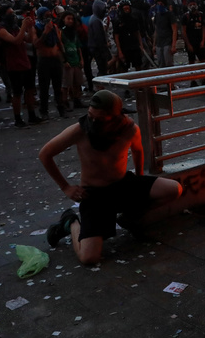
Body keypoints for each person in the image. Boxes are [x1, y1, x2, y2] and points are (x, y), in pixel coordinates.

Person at [40, 90, 182, 264]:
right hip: (94, 194)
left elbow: (137, 150)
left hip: (122, 184)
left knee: (174, 189)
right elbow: (45, 154)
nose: (92, 121)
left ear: (115, 117)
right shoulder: (79, 130)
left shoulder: (128, 128)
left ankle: (129, 218)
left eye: (99, 119)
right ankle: (70, 222)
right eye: (90, 115)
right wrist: (66, 187)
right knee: (89, 258)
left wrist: (139, 178)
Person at [152, 0, 178, 68]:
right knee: (161, 65)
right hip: (159, 43)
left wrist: (173, 45)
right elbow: (156, 31)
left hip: (167, 42)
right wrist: (154, 44)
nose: (159, 5)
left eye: (161, 4)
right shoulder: (157, 16)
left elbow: (174, 30)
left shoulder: (170, 15)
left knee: (168, 64)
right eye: (158, 4)